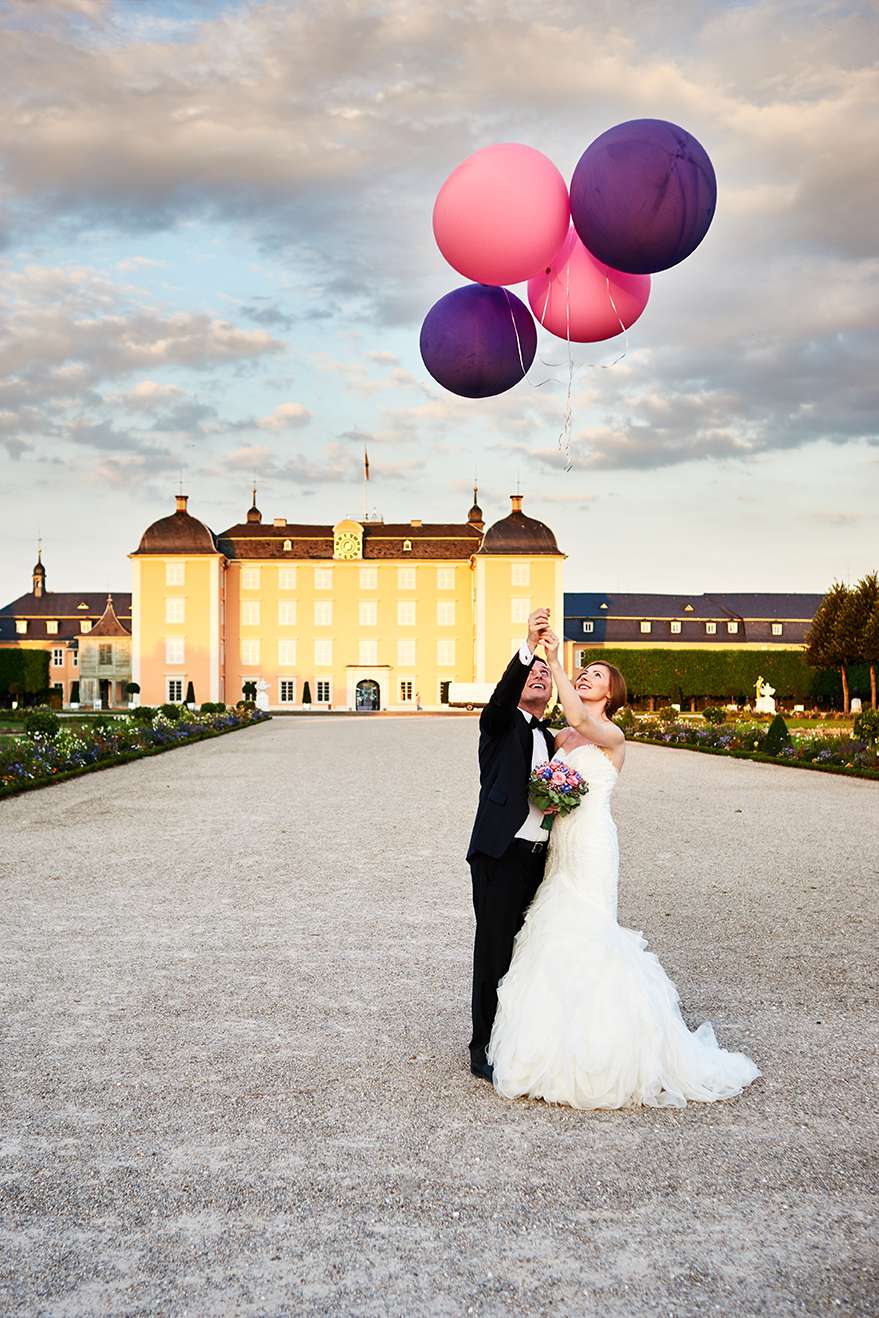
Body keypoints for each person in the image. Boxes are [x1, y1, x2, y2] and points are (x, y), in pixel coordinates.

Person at [487, 632, 762, 1109]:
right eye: (584, 672)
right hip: (560, 845)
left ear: (610, 694)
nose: (585, 676)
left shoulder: (611, 737)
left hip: (593, 844)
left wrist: (554, 659)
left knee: (589, 929)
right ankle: (554, 1044)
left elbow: (578, 716)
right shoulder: (561, 737)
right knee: (553, 927)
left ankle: (608, 1049)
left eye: (595, 675)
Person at [466, 608, 556, 1083]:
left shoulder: (552, 738)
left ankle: (518, 1036)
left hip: (540, 858)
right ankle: (482, 1044)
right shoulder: (500, 722)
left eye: (546, 673)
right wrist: (529, 646)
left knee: (529, 951)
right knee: (495, 949)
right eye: (532, 672)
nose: (539, 675)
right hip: (500, 853)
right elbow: (503, 695)